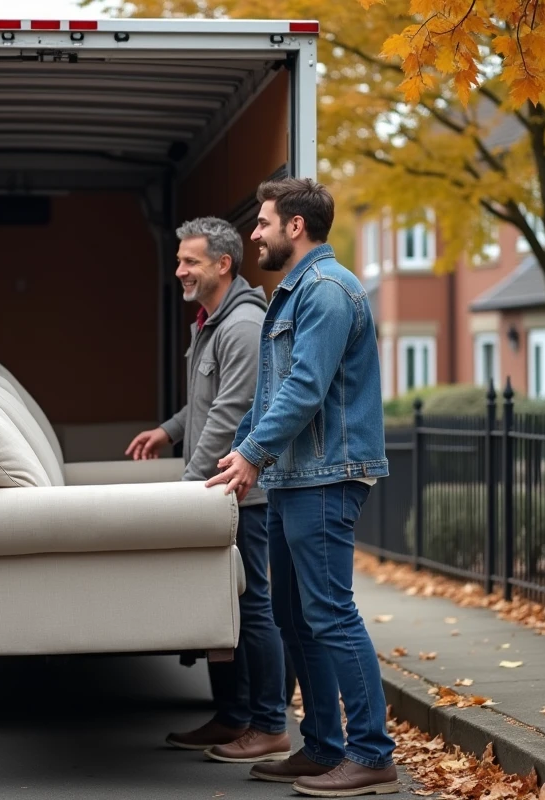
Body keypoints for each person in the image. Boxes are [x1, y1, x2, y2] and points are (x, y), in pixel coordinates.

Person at [207, 178, 399, 797]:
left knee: (330, 613)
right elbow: (269, 395)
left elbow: (305, 389)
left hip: (326, 474)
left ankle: (371, 755)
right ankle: (321, 748)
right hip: (295, 475)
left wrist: (253, 455)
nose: (254, 234)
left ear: (295, 226)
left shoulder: (324, 290)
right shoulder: (290, 295)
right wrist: (239, 452)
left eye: (262, 223)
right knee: (295, 615)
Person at [127, 217, 291, 764]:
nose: (179, 270)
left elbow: (230, 414)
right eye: (179, 260)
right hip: (220, 487)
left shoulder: (242, 326)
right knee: (226, 604)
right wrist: (168, 430)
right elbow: (204, 405)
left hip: (242, 494)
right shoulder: (213, 321)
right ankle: (232, 718)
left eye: (189, 261)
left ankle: (268, 724)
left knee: (254, 607)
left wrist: (187, 486)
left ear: (223, 264)